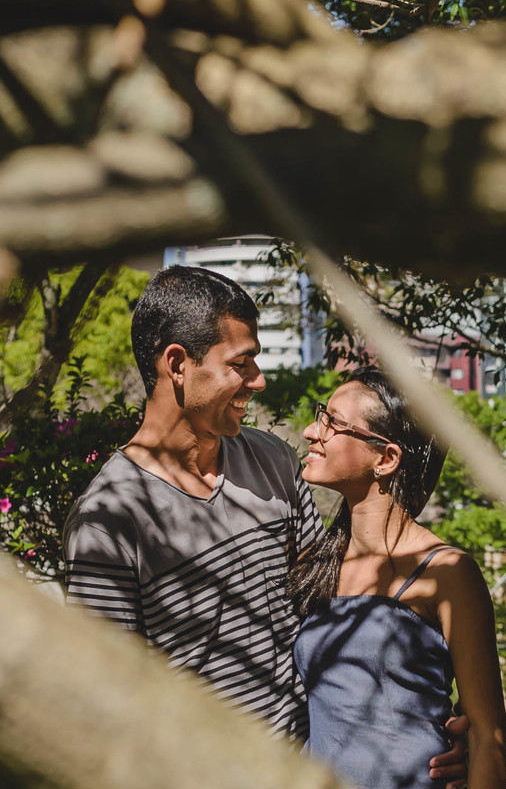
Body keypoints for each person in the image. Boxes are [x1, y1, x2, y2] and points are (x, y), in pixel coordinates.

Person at [62, 265, 467, 784]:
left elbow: (337, 607)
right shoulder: (108, 522)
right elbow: (108, 708)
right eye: (242, 363)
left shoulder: (273, 461)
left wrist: (442, 727)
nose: (259, 379)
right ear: (177, 363)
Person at [289, 367, 506, 789]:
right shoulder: (315, 562)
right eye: (321, 415)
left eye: (332, 422)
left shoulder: (447, 572)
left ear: (386, 458)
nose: (310, 431)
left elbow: (487, 736)